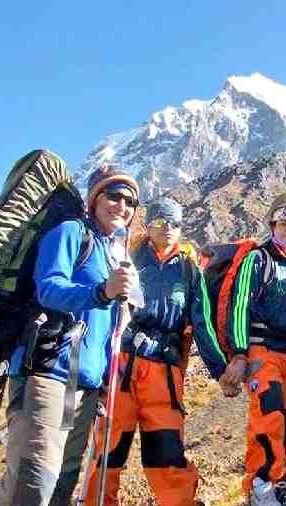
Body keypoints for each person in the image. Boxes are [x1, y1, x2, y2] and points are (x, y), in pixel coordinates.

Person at [0, 165, 141, 506]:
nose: (122, 206)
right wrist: (101, 292)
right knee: (33, 484)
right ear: (94, 199)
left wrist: (107, 379)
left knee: (61, 487)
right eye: (113, 195)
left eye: (130, 201)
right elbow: (48, 288)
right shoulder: (71, 232)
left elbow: (108, 329)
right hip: (48, 375)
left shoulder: (113, 253)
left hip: (87, 388)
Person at [83, 197, 214, 506]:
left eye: (175, 223)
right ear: (148, 224)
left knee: (167, 453)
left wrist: (222, 369)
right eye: (160, 221)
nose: (167, 228)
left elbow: (202, 322)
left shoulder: (189, 269)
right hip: (122, 365)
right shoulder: (126, 256)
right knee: (107, 451)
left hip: (164, 372)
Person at [215, 193, 286, 506]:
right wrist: (238, 354)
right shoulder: (258, 260)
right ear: (272, 225)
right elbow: (240, 308)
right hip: (262, 353)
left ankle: (276, 479)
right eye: (284, 223)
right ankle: (260, 485)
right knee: (268, 416)